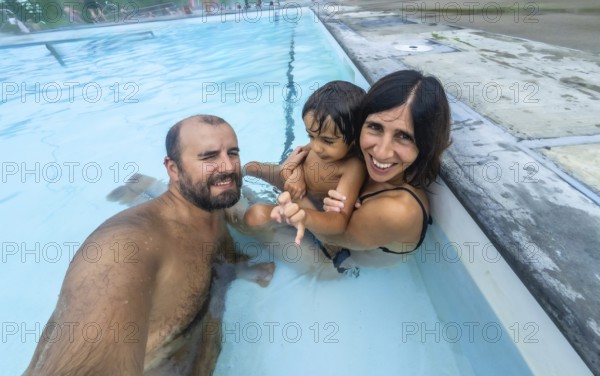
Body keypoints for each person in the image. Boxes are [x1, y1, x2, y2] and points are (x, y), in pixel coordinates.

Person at [24, 115, 274, 376]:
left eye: (232, 153)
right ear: (173, 169)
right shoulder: (123, 250)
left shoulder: (209, 208)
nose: (228, 167)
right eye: (208, 157)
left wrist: (234, 267)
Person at [271, 70, 451, 262]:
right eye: (375, 127)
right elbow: (306, 152)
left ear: (426, 143)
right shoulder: (355, 144)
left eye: (404, 136)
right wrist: (294, 171)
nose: (381, 152)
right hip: (322, 220)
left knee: (249, 218)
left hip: (346, 262)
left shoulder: (397, 210)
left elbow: (332, 238)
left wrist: (298, 202)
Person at [241, 81, 366, 275]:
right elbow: (298, 154)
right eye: (310, 136)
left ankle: (247, 198)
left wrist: (303, 214)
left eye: (327, 141)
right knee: (251, 167)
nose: (315, 147)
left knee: (256, 214)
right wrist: (296, 175)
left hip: (306, 207)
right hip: (293, 185)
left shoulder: (352, 168)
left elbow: (339, 221)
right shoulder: (319, 145)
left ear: (355, 138)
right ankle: (238, 178)